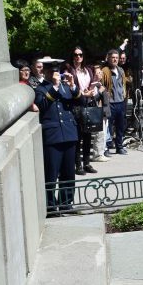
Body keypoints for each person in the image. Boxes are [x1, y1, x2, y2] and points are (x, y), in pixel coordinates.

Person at [34, 64, 94, 214]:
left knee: (68, 172)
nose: (57, 75)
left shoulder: (66, 88)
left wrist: (73, 86)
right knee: (51, 173)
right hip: (52, 136)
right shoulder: (40, 89)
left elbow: (81, 102)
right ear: (46, 73)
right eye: (53, 72)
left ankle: (66, 203)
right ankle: (51, 207)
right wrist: (54, 87)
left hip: (69, 133)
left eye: (58, 72)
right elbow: (42, 104)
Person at [62, 46, 97, 175]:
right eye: (75, 55)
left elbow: (93, 83)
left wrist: (93, 91)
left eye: (80, 55)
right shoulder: (68, 70)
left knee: (88, 135)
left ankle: (87, 162)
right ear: (72, 56)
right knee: (78, 137)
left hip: (89, 104)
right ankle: (78, 165)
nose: (78, 57)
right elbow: (69, 87)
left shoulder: (88, 70)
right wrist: (83, 94)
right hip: (76, 106)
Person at [101, 49, 129, 155]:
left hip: (120, 102)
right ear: (108, 58)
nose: (115, 59)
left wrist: (124, 95)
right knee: (108, 127)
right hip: (110, 103)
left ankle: (119, 146)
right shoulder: (104, 71)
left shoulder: (121, 70)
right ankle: (106, 148)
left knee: (120, 126)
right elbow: (102, 85)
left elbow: (123, 84)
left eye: (116, 58)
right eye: (113, 57)